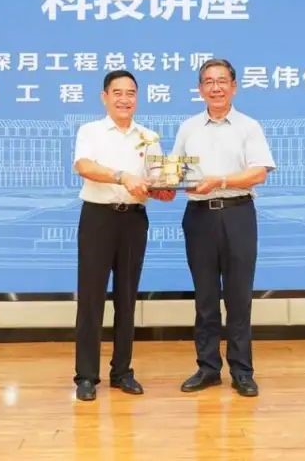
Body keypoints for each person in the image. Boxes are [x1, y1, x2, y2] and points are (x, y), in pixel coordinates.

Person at [171, 58, 276, 397]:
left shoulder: (249, 127)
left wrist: (221, 181)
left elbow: (259, 172)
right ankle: (208, 368)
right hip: (199, 216)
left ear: (234, 86)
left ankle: (242, 371)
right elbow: (175, 170)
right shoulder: (188, 127)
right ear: (200, 89)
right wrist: (162, 183)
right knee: (204, 297)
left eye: (221, 81)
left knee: (238, 297)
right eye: (208, 82)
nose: (215, 88)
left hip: (237, 214)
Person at [72, 69, 176, 401]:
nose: (124, 99)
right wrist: (123, 176)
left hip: (133, 220)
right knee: (91, 298)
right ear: (104, 97)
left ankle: (122, 371)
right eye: (117, 93)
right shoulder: (90, 131)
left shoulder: (149, 137)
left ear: (137, 98)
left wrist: (165, 189)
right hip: (98, 218)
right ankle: (86, 376)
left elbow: (158, 181)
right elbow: (84, 167)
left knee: (127, 297)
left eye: (130, 93)